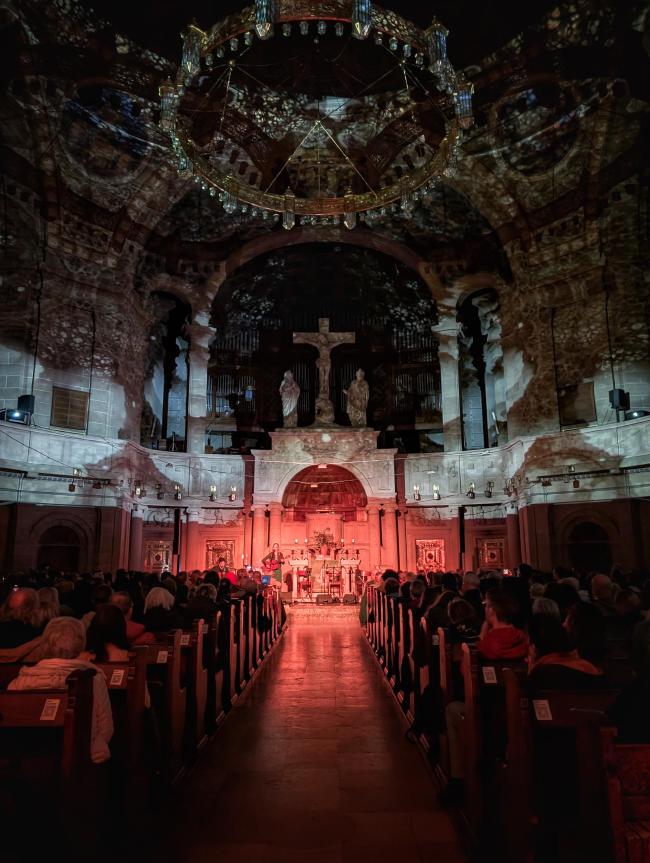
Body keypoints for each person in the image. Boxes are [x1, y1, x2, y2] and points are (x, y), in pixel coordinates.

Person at [8, 617, 114, 764]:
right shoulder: (91, 680)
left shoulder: (18, 682)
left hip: (26, 763)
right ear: (80, 643)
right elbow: (105, 729)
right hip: (78, 762)